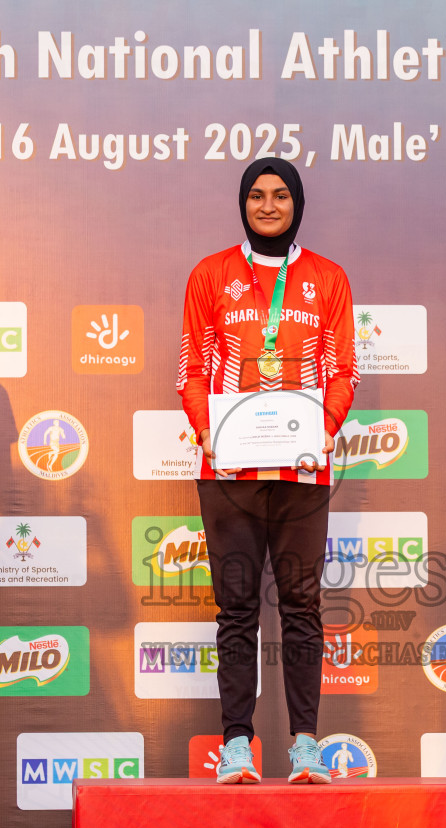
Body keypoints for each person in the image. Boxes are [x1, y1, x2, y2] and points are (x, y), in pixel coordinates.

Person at [177, 157, 358, 784]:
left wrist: (320, 433)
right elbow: (192, 369)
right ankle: (236, 746)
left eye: (281, 195)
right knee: (236, 608)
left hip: (302, 469)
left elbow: (342, 372)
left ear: (297, 203)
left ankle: (306, 745)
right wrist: (208, 432)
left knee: (303, 607)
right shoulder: (211, 274)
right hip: (228, 468)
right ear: (243, 204)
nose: (268, 206)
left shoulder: (328, 278)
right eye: (257, 196)